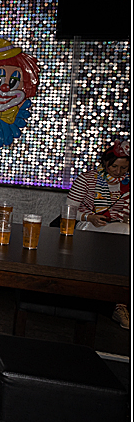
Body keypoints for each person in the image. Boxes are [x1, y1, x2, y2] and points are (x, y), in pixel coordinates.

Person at [65, 138, 129, 328]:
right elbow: (69, 211)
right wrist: (89, 217)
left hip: (120, 227)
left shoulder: (128, 185)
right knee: (125, 233)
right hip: (88, 226)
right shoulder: (87, 179)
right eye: (114, 167)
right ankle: (119, 303)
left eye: (124, 168)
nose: (118, 172)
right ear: (105, 163)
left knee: (125, 231)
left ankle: (120, 300)